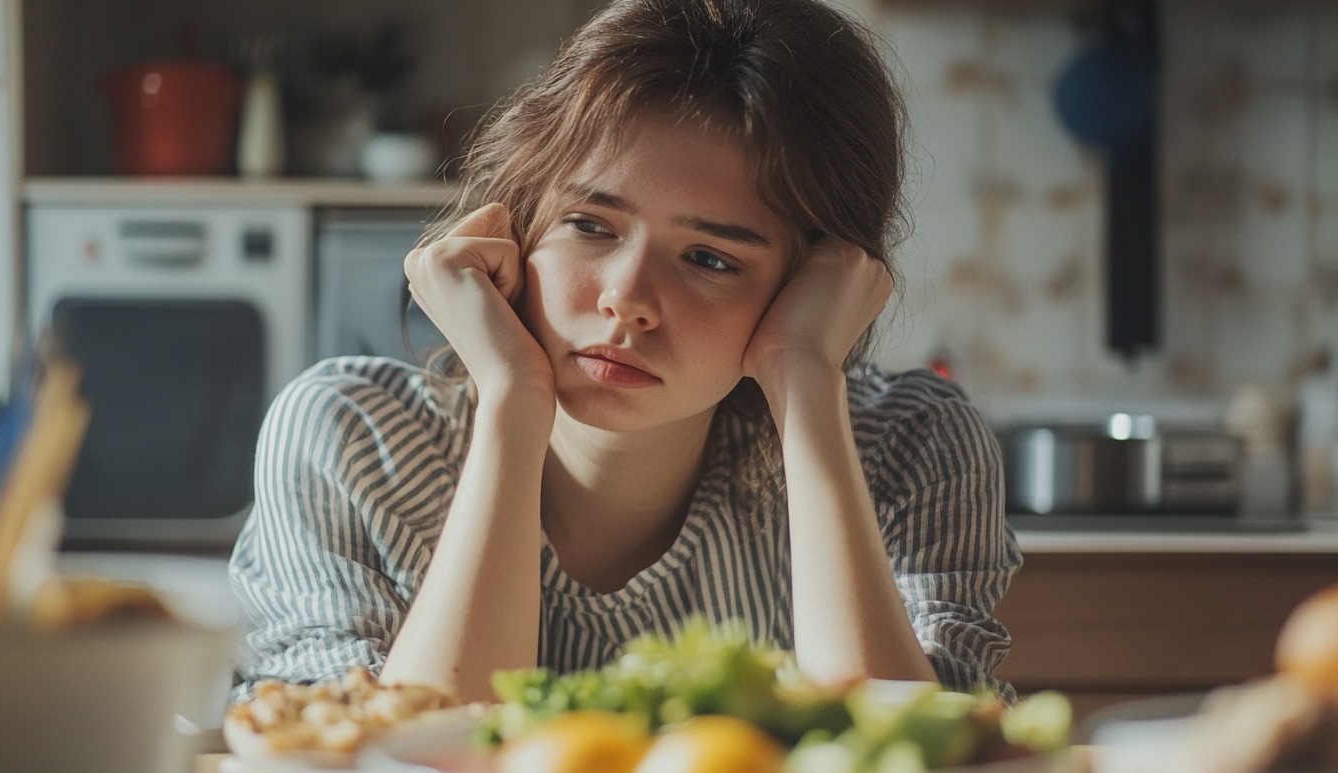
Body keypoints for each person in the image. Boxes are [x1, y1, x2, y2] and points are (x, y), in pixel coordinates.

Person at [229, 0, 1022, 704]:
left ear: (811, 280)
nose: (627, 298)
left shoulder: (907, 449)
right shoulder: (350, 439)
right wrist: (511, 401)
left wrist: (807, 378)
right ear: (516, 223)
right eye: (591, 225)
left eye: (712, 259)